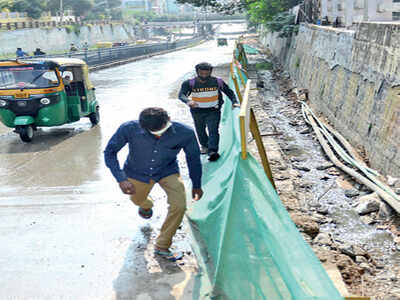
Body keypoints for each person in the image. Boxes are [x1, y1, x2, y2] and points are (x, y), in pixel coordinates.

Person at [104, 107, 203, 261]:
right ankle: (146, 205)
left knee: (179, 205)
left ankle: (162, 246)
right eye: (154, 132)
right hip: (137, 172)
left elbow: (193, 159)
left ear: (168, 119)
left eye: (162, 130)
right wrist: (121, 179)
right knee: (137, 199)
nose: (159, 134)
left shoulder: (185, 133)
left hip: (167, 171)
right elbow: (109, 152)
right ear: (142, 127)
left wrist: (197, 184)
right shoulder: (129, 128)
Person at [178, 62, 240, 161]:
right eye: (201, 73)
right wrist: (188, 101)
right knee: (200, 130)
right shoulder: (189, 83)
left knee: (213, 130)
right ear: (197, 72)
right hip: (197, 111)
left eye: (206, 73)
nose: (204, 76)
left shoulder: (217, 82)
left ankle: (212, 151)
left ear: (210, 72)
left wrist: (234, 102)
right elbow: (181, 95)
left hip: (213, 111)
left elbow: (229, 92)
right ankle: (204, 146)